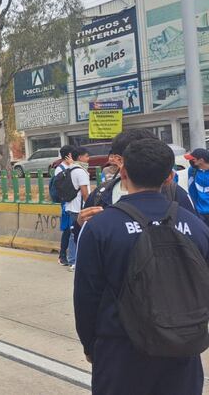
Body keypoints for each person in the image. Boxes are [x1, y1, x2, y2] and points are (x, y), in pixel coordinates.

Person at [74, 139, 209, 394]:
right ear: (169, 177)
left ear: (123, 173)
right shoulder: (196, 226)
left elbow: (86, 297)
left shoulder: (101, 228)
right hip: (182, 352)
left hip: (120, 352)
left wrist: (92, 346)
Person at [78, 129, 196, 228]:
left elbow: (195, 237)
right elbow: (85, 240)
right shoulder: (101, 195)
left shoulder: (174, 193)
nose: (149, 157)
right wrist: (80, 223)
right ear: (119, 160)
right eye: (139, 153)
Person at [62, 146, 90, 271]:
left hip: (71, 205)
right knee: (77, 234)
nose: (88, 158)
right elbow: (85, 193)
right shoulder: (81, 171)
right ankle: (74, 261)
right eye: (87, 156)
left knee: (73, 233)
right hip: (79, 207)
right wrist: (89, 205)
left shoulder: (71, 168)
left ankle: (72, 259)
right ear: (80, 157)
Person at [53, 145, 75, 266]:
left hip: (74, 203)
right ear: (67, 156)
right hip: (66, 204)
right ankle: (62, 256)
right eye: (72, 154)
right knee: (67, 229)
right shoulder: (60, 169)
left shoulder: (72, 166)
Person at [186, 148, 209, 226]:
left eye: (193, 159)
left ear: (201, 160)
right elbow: (191, 190)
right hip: (199, 213)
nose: (191, 161)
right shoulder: (192, 171)